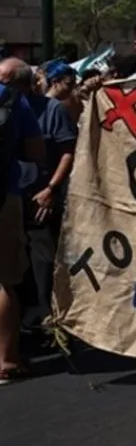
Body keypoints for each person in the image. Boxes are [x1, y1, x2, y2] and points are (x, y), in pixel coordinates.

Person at [0, 59, 74, 334]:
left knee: (42, 263)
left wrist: (51, 189)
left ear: (21, 84)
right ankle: (16, 326)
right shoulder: (9, 105)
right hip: (10, 196)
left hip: (39, 197)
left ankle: (47, 321)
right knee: (14, 272)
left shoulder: (52, 109)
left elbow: (68, 151)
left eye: (4, 83)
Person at [0, 66, 44, 385]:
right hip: (4, 195)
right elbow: (36, 150)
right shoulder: (14, 100)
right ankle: (7, 360)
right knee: (4, 281)